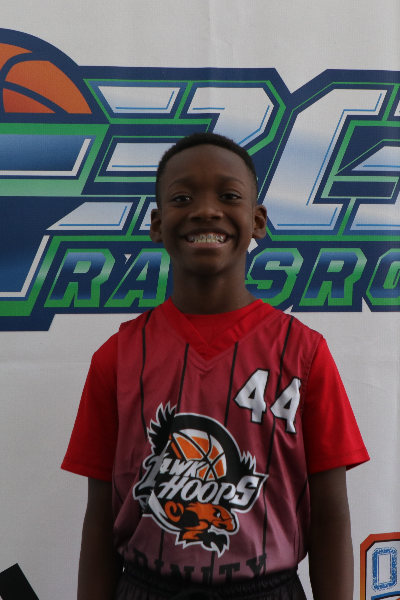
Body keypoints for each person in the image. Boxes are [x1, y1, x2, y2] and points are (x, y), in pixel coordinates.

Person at [62, 132, 369, 600]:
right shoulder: (117, 357)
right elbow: (100, 519)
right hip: (145, 587)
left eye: (228, 196)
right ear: (157, 224)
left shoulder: (304, 353)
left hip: (269, 589)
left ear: (257, 221)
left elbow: (330, 518)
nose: (206, 210)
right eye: (182, 198)